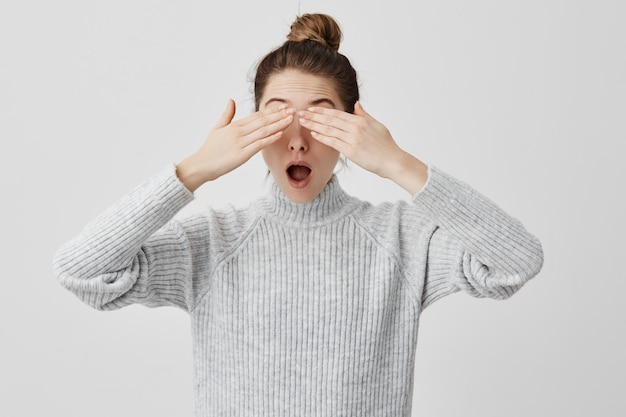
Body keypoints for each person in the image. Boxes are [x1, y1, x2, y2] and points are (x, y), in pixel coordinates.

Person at [54, 13, 544, 417]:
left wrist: (398, 163)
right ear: (253, 127)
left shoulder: (400, 239)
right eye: (277, 116)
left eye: (317, 116)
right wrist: (194, 169)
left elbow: (515, 262)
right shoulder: (214, 240)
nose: (297, 139)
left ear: (352, 127)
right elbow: (82, 272)